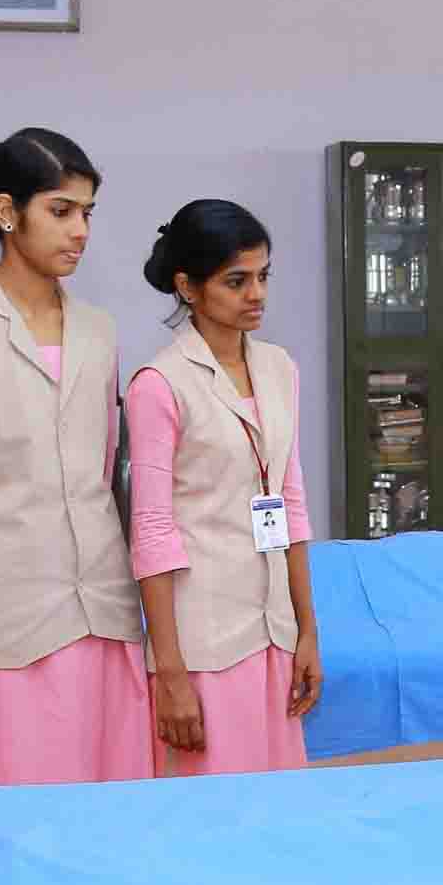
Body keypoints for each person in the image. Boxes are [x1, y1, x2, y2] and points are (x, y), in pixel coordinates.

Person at [0, 128, 148, 785]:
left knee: (109, 801)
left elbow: (101, 471)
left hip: (101, 608)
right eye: (61, 210)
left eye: (87, 213)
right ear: (7, 212)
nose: (80, 231)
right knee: (21, 803)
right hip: (4, 624)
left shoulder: (99, 331)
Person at [128, 198, 321, 775]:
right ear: (188, 287)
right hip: (205, 641)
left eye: (263, 276)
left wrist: (307, 631)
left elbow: (291, 503)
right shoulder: (158, 385)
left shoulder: (280, 369)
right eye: (236, 281)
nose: (256, 294)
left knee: (280, 806)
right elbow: (152, 531)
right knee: (214, 809)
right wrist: (170, 671)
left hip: (274, 630)